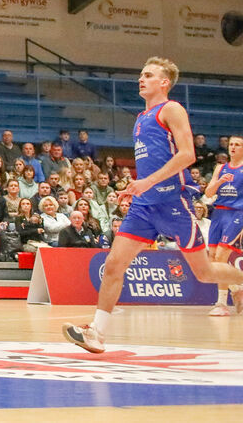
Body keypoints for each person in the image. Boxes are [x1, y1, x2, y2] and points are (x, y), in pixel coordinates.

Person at [63, 59, 243, 353]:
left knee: (205, 272)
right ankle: (97, 333)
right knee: (113, 265)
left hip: (173, 202)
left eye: (148, 75)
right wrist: (137, 186)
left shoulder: (171, 109)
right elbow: (152, 162)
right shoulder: (140, 118)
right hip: (144, 207)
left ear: (164, 83)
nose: (141, 79)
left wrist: (148, 182)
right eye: (140, 75)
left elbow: (187, 155)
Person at [203, 134, 243, 316]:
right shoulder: (220, 168)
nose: (233, 147)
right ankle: (236, 288)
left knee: (221, 255)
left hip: (236, 213)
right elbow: (209, 193)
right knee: (212, 258)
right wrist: (219, 181)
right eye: (231, 144)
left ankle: (221, 303)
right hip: (219, 213)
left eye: (237, 145)